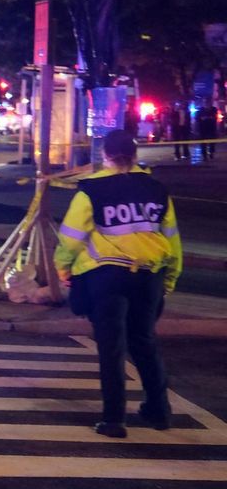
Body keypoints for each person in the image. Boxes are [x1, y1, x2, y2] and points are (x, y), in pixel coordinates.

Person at [55, 130, 182, 438]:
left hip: (107, 277)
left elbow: (71, 237)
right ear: (136, 155)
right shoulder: (157, 190)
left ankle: (114, 419)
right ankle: (159, 411)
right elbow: (172, 240)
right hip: (149, 276)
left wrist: (62, 268)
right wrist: (170, 278)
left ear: (105, 156)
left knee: (111, 347)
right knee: (144, 342)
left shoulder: (91, 191)